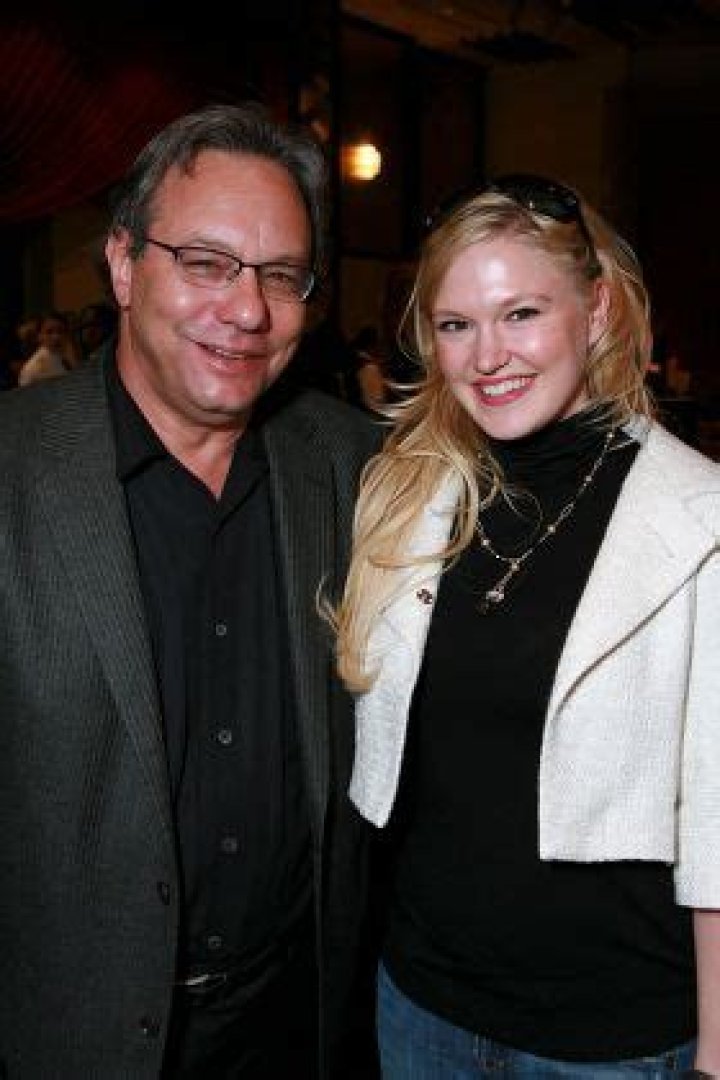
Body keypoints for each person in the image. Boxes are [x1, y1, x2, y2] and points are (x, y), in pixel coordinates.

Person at [0, 102, 381, 1079]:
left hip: (301, 1029)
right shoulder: (13, 466)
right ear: (124, 264)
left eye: (281, 276)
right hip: (67, 1040)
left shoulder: (355, 467)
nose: (247, 310)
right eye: (206, 263)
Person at [331, 174, 720, 1077]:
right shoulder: (410, 494)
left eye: (521, 314)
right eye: (456, 324)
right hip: (419, 1006)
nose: (487, 356)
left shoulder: (698, 518)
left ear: (597, 309)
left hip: (608, 1043)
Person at [17, 308, 78, 386]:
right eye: (49, 332)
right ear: (39, 336)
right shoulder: (32, 368)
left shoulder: (67, 356)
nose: (56, 337)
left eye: (60, 331)